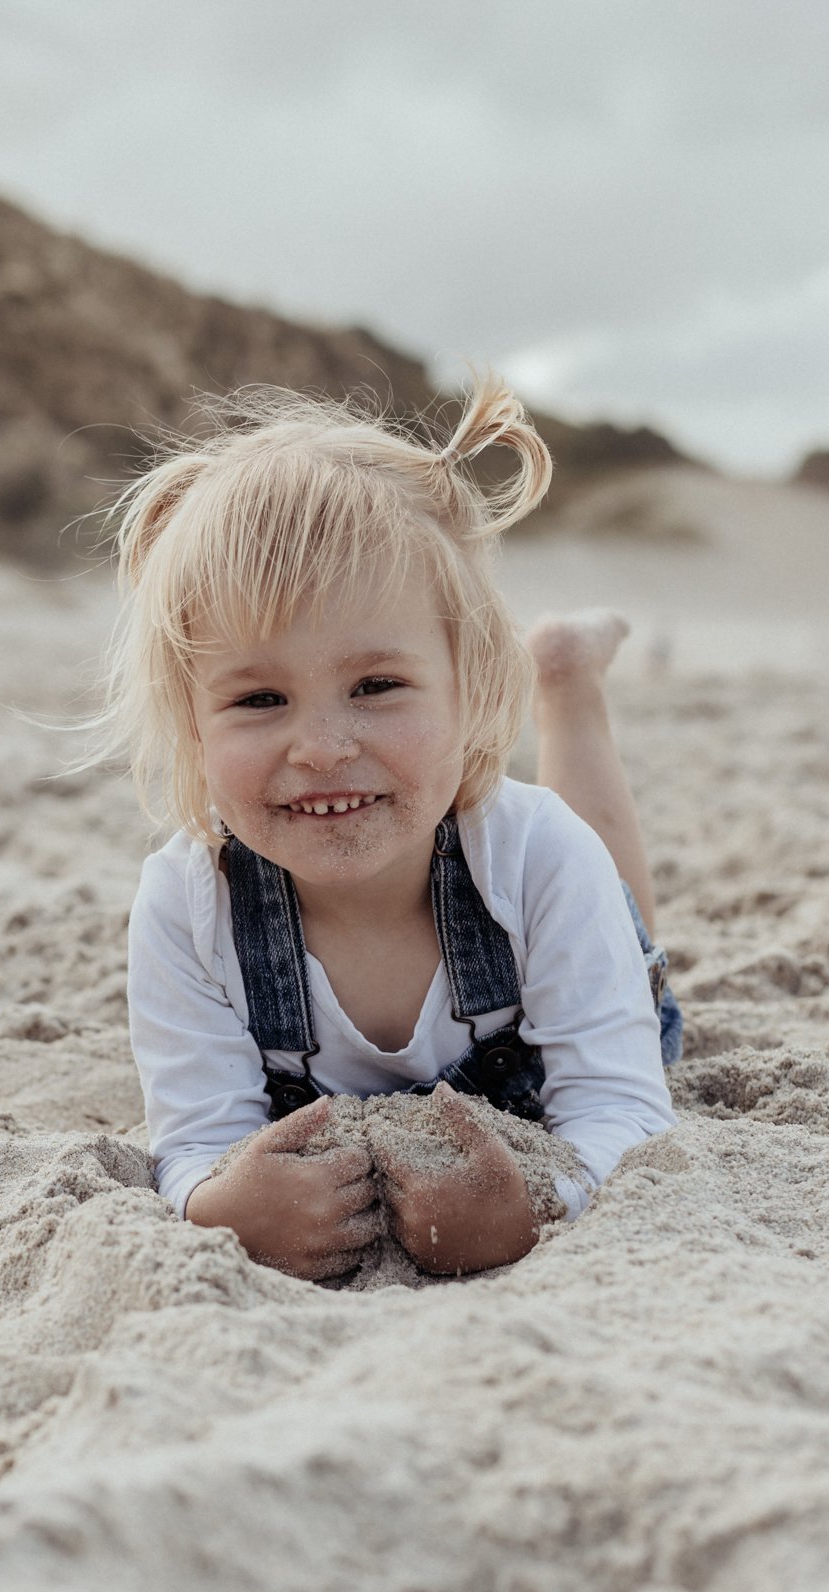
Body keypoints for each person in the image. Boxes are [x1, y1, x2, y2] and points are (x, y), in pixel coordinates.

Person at [101, 374, 680, 1280]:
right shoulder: (186, 904)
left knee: (615, 901)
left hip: (574, 918)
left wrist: (539, 1202)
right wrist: (221, 1205)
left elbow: (624, 1106)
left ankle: (563, 678)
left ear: (469, 684)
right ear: (192, 725)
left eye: (376, 686)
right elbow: (197, 1140)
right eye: (259, 698)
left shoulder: (536, 855)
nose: (323, 747)